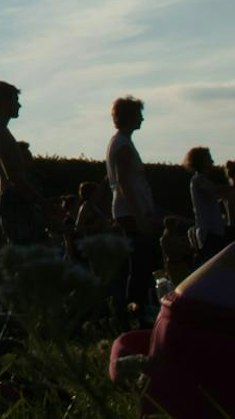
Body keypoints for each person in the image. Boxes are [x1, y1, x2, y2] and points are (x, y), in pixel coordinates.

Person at [106, 96, 158, 321]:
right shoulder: (123, 146)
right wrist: (141, 218)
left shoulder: (120, 142)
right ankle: (133, 313)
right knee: (140, 265)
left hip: (128, 212)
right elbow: (126, 184)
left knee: (139, 265)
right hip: (131, 213)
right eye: (139, 114)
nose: (143, 119)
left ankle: (133, 311)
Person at [0, 82, 45, 246]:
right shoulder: (1, 133)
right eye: (15, 99)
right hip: (14, 200)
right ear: (4, 101)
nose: (19, 104)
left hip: (3, 198)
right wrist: (40, 202)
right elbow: (14, 177)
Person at [182, 148, 235, 259]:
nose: (212, 161)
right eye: (209, 159)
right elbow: (215, 190)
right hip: (209, 232)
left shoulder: (201, 180)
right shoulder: (198, 180)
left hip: (213, 231)